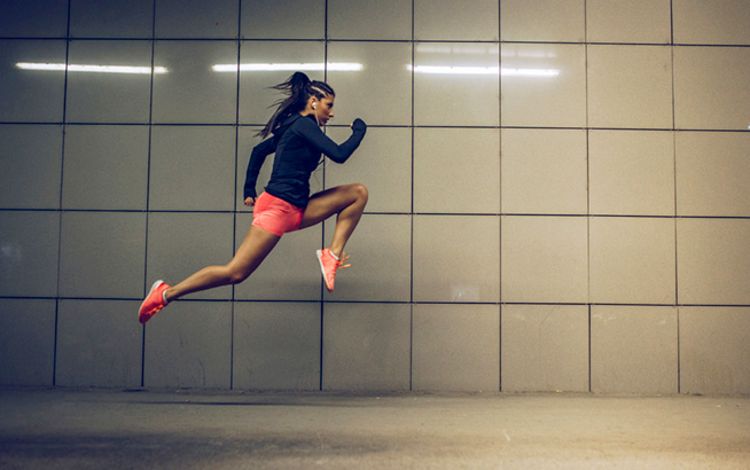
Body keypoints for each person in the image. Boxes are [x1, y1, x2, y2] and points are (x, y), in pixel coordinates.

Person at [138, 71, 368, 324]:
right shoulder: (304, 125)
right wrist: (359, 130)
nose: (331, 113)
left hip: (297, 208)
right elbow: (339, 154)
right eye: (329, 105)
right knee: (236, 272)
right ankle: (166, 293)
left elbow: (259, 151)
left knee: (357, 193)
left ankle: (332, 255)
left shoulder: (294, 126)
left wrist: (249, 190)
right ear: (313, 101)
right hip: (279, 208)